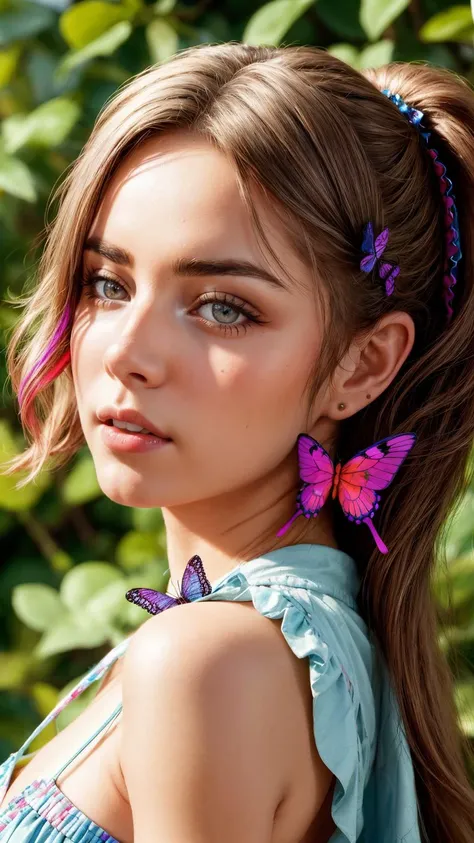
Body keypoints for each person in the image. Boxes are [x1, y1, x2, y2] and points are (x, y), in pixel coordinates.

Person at [0, 41, 473, 843]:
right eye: (108, 284)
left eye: (223, 307)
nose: (124, 352)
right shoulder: (285, 646)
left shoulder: (206, 667)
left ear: (362, 365)